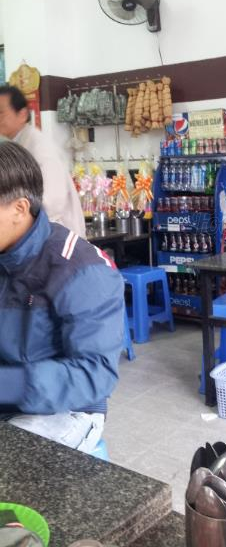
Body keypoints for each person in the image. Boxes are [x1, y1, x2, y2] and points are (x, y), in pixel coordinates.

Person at [0, 142, 124, 451]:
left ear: (19, 209)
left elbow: (94, 374)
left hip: (67, 408)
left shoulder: (81, 269)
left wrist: (8, 384)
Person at [0, 85, 86, 237]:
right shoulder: (18, 144)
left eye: (1, 113)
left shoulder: (40, 147)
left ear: (22, 114)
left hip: (55, 237)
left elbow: (52, 201)